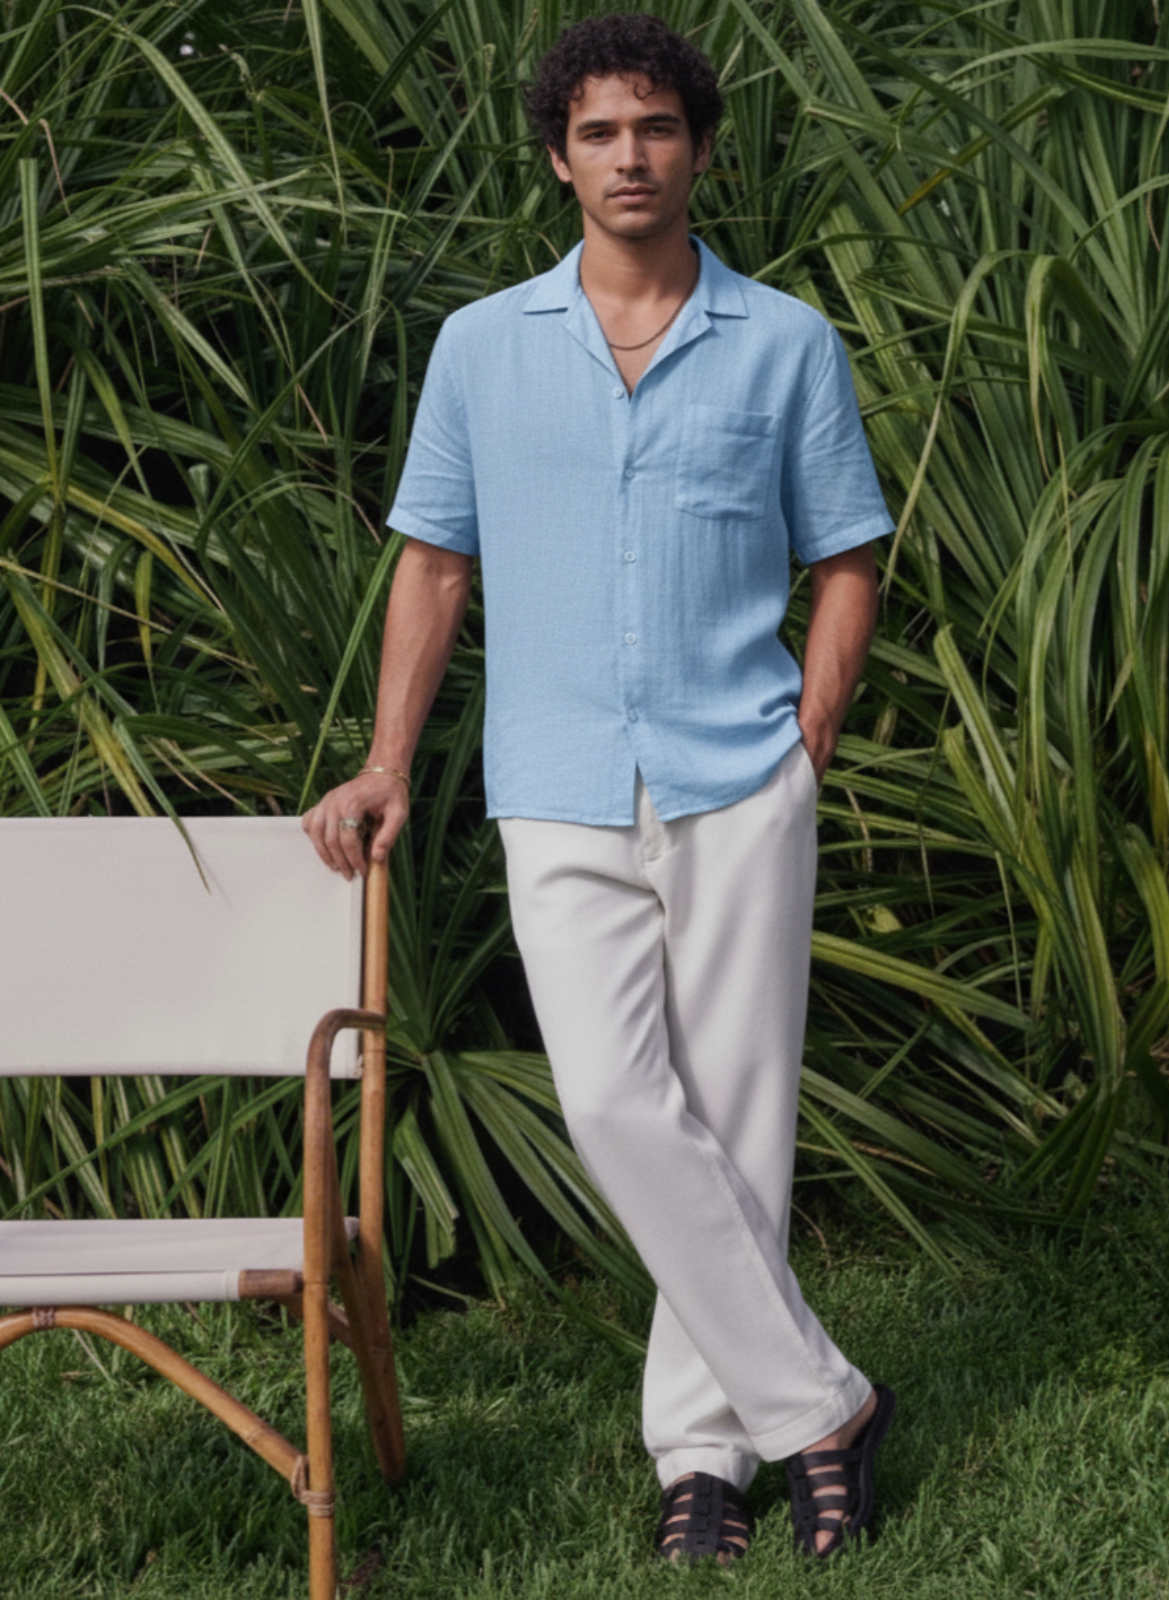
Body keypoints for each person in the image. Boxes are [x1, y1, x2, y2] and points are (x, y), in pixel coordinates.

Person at [303, 11, 896, 1567]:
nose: (627, 156)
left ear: (697, 146)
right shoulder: (484, 347)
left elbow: (847, 557)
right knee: (617, 1103)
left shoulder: (783, 345)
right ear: (558, 156)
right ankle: (820, 1404)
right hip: (555, 784)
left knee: (737, 1112)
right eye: (596, 132)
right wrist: (383, 762)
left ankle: (702, 1460)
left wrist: (807, 737)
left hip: (737, 772)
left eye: (653, 128)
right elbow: (432, 565)